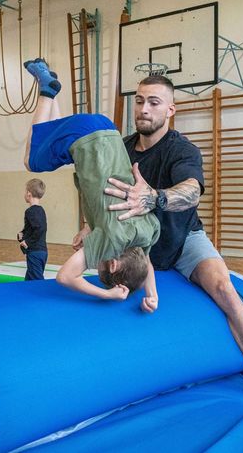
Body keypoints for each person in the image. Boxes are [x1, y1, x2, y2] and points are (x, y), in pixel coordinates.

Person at [101, 75, 243, 405]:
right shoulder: (122, 149)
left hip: (183, 237)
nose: (144, 108)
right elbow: (108, 197)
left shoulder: (182, 149)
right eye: (140, 101)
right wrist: (92, 228)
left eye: (154, 102)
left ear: (170, 109)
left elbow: (191, 191)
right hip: (139, 244)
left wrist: (154, 198)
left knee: (223, 287)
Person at [22, 58, 159, 308]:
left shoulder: (145, 235)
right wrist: (106, 294)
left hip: (109, 132)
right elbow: (65, 277)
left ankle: (52, 92)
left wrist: (153, 295)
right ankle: (45, 90)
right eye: (102, 266)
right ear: (113, 263)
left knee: (54, 143)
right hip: (86, 138)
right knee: (32, 161)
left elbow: (146, 264)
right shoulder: (111, 243)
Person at [18, 178, 48, 281]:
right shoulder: (41, 210)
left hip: (35, 252)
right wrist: (22, 234)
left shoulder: (30, 211)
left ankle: (44, 296)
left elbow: (40, 229)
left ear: (28, 193)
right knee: (29, 280)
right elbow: (33, 228)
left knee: (37, 281)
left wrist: (27, 242)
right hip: (41, 251)